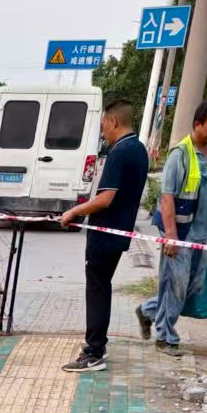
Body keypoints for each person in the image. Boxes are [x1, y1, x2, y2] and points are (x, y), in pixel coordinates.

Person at [58, 98, 150, 374]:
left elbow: (105, 198)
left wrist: (74, 211)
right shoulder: (139, 149)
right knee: (102, 288)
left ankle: (94, 352)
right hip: (119, 231)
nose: (103, 132)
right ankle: (98, 345)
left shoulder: (119, 152)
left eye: (103, 126)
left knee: (97, 290)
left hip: (104, 233)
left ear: (113, 121)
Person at [136, 99, 207, 354]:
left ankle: (148, 310)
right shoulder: (180, 154)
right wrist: (171, 236)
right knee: (176, 286)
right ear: (198, 124)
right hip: (181, 234)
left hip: (202, 236)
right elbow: (167, 197)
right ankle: (166, 337)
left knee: (193, 286)